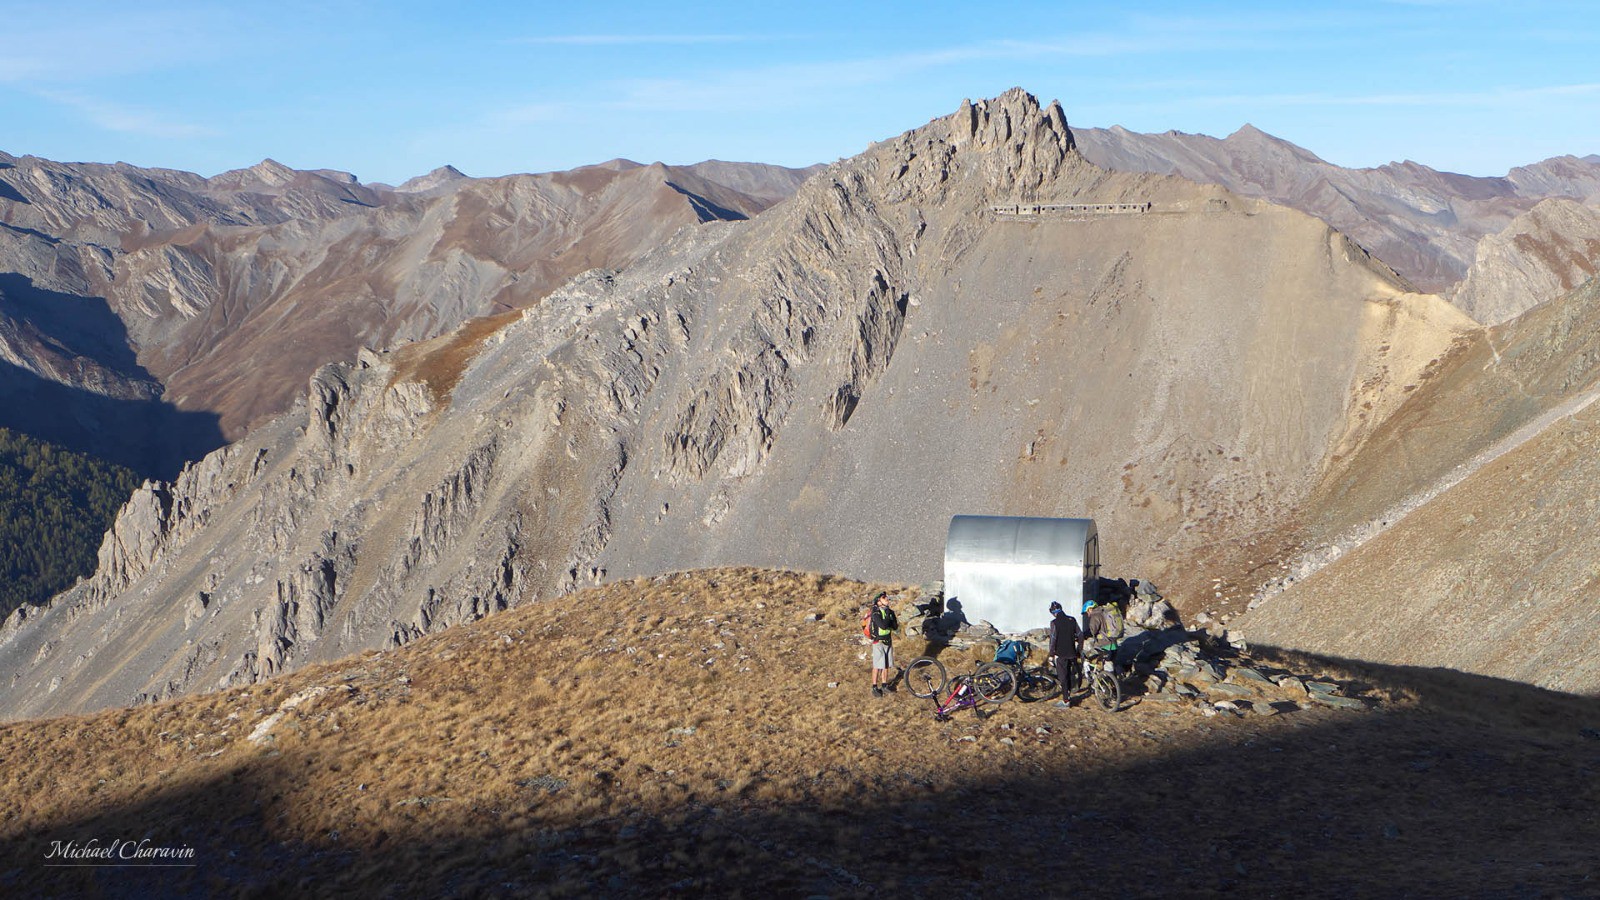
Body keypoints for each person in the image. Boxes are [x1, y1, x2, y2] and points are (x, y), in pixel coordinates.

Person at [1047, 601, 1081, 708]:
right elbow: (1080, 635)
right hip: (1072, 652)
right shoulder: (1072, 620)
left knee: (1063, 677)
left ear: (1052, 612)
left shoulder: (1054, 623)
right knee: (1070, 675)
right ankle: (1069, 696)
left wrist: (1051, 654)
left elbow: (1053, 639)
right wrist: (1079, 651)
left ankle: (1066, 701)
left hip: (1061, 654)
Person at [1082, 594, 1125, 672]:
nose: (1087, 615)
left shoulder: (1095, 616)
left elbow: (1093, 630)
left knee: (1094, 659)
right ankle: (1114, 681)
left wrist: (1084, 635)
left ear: (1090, 609)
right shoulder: (1103, 612)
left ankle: (1104, 680)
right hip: (1113, 642)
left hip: (1104, 644)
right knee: (1110, 664)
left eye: (1087, 612)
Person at [869, 592, 899, 697]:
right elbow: (883, 626)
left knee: (886, 664)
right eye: (883, 598)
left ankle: (884, 685)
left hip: (888, 640)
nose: (887, 599)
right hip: (878, 642)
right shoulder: (875, 613)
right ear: (878, 601)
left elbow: (895, 626)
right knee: (877, 665)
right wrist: (887, 616)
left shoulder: (890, 612)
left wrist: (889, 616)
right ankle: (874, 687)